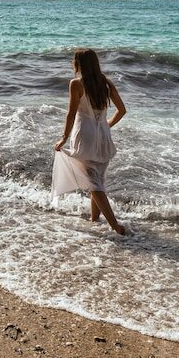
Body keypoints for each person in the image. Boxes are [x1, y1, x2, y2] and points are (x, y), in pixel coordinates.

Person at [52, 48, 127, 234]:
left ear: (79, 64)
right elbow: (122, 110)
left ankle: (115, 226)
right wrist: (106, 125)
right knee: (98, 179)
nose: (72, 62)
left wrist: (64, 137)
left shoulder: (76, 84)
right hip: (103, 134)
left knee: (94, 184)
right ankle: (94, 219)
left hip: (85, 134)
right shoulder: (106, 83)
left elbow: (71, 114)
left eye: (74, 60)